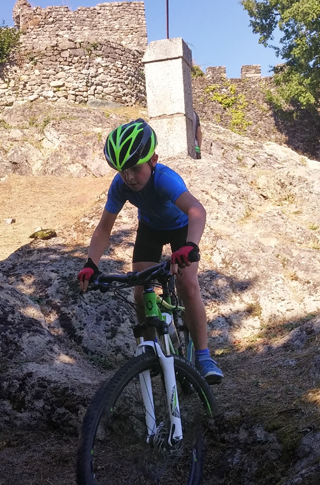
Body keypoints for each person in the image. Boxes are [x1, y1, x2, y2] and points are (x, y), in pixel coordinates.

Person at [77, 118, 223, 384]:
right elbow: (103, 229)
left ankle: (204, 356)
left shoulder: (165, 179)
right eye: (122, 171)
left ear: (153, 160)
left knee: (188, 285)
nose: (129, 177)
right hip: (150, 230)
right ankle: (151, 349)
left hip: (181, 228)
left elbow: (196, 210)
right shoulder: (120, 185)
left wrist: (190, 246)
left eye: (135, 168)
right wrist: (91, 263)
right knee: (140, 291)